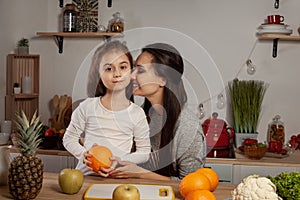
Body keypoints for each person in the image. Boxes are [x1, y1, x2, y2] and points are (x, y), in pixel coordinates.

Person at [107, 43, 206, 181]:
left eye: (140, 71)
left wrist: (139, 173)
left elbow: (191, 184)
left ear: (162, 79)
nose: (132, 75)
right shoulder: (146, 114)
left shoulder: (188, 128)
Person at [63, 40, 151, 176]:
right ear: (99, 73)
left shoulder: (137, 113)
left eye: (123, 67)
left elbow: (144, 152)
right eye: (109, 69)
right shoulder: (87, 107)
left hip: (118, 179)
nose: (117, 74)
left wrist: (121, 160)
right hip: (85, 178)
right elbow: (69, 139)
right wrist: (83, 155)